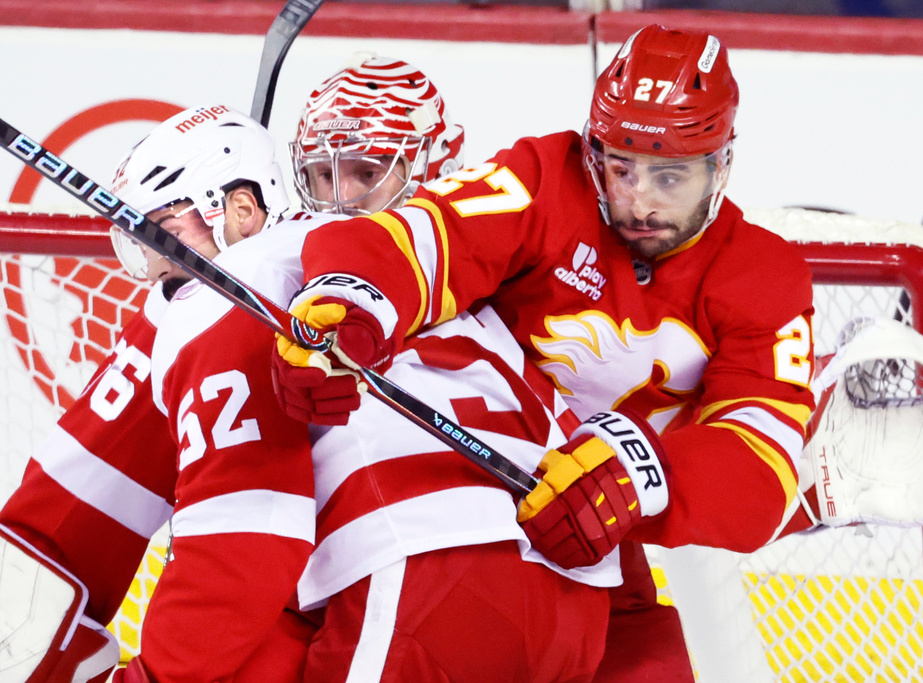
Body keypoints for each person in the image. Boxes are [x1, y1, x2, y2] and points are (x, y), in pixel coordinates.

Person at [272, 25, 817, 681]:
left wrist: (641, 470)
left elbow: (762, 461)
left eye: (669, 176)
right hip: (468, 501)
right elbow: (433, 233)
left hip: (607, 539)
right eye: (621, 168)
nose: (639, 200)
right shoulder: (548, 180)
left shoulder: (762, 274)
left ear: (720, 165)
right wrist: (351, 297)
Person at [151, 55, 618, 682]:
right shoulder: (491, 284)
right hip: (575, 597)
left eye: (365, 172)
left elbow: (250, 520)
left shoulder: (278, 270)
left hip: (421, 565)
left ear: (431, 170)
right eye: (319, 173)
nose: (337, 197)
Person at [0, 104, 312, 683]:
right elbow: (63, 514)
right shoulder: (179, 314)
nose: (153, 262)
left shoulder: (338, 272)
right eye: (139, 241)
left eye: (164, 232)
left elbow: (245, 543)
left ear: (243, 210)